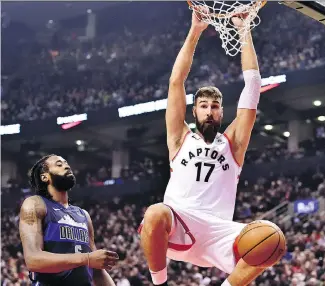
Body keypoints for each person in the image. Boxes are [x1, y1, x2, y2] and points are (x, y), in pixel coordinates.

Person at [138, 8, 286, 286]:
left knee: (271, 236)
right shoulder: (179, 139)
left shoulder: (234, 143)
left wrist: (245, 32)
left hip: (219, 230)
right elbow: (175, 82)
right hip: (179, 222)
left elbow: (253, 85)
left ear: (221, 113)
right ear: (194, 112)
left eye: (214, 107)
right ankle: (159, 284)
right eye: (203, 106)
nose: (209, 111)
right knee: (156, 212)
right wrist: (195, 31)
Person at [19, 154, 118, 286]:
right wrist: (87, 258)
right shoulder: (35, 204)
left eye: (66, 163)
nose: (66, 166)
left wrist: (90, 259)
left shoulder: (83, 215)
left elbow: (97, 271)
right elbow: (33, 260)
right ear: (44, 176)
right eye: (59, 164)